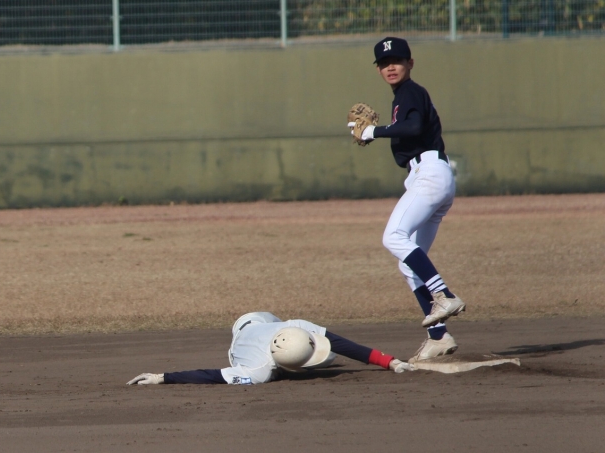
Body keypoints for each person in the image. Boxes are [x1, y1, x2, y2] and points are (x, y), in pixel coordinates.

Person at [347, 37, 466, 363]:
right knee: (409, 262)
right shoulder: (404, 96)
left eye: (397, 61)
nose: (391, 67)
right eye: (384, 63)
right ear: (378, 70)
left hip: (429, 174)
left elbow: (412, 127)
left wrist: (373, 132)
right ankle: (438, 336)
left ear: (410, 63)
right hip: (430, 176)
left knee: (393, 236)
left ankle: (444, 294)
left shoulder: (410, 92)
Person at [127, 312, 414, 385]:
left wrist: (388, 361)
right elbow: (210, 375)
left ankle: (302, 361)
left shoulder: (297, 327)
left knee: (329, 353)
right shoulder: (257, 372)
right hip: (240, 337)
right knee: (322, 361)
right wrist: (162, 377)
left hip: (260, 319)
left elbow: (342, 343)